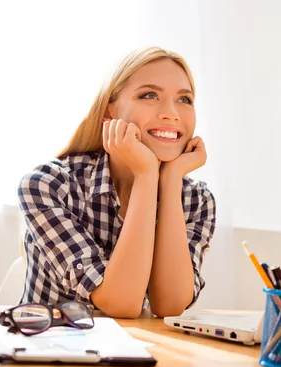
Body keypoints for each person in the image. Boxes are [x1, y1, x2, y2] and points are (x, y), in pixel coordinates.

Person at [16, 47, 216, 318]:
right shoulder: (48, 186)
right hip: (50, 352)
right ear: (109, 112)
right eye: (149, 95)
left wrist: (169, 181)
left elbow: (170, 305)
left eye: (184, 99)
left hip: (139, 355)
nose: (172, 113)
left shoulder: (197, 200)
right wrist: (147, 175)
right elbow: (120, 303)